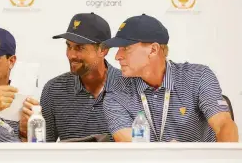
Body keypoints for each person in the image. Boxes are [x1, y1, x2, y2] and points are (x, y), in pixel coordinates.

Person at [102, 13, 239, 142]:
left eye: (126, 48)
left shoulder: (198, 77)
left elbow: (223, 125)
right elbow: (129, 144)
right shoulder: (116, 90)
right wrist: (170, 155)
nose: (117, 56)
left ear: (153, 50)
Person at [40, 12, 121, 142]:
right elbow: (43, 148)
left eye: (79, 48)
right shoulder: (53, 89)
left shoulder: (129, 86)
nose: (71, 55)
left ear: (103, 50)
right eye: (68, 46)